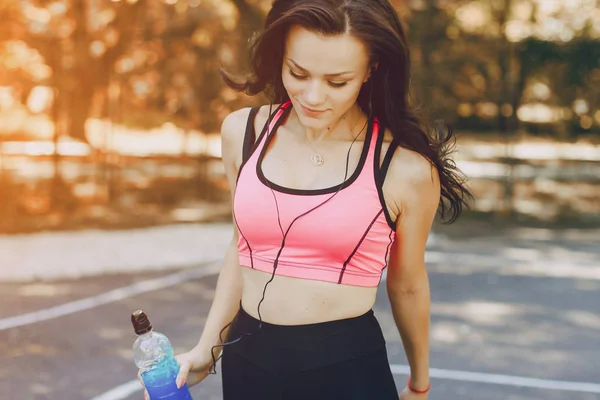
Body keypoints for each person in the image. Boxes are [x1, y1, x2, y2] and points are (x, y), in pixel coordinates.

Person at [139, 0, 471, 399]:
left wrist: (420, 386)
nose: (313, 96)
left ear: (372, 70)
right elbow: (241, 248)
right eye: (298, 73)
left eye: (337, 81)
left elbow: (408, 284)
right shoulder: (241, 132)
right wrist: (207, 349)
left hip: (345, 368)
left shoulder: (405, 168)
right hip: (248, 360)